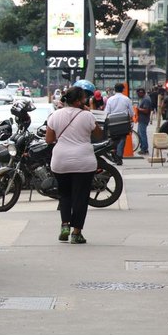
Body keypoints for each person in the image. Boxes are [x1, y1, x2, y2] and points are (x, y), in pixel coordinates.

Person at [45, 86, 103, 244]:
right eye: (84, 98)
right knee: (81, 197)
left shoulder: (55, 115)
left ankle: (65, 225)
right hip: (83, 162)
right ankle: (76, 233)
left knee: (64, 195)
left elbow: (49, 139)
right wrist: (88, 113)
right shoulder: (87, 116)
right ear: (78, 101)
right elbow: (99, 135)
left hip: (61, 161)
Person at [105, 83, 134, 164]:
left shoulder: (110, 99)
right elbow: (131, 113)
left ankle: (114, 151)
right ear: (123, 89)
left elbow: (107, 112)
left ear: (114, 89)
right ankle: (119, 155)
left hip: (112, 122)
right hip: (123, 122)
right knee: (122, 138)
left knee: (113, 138)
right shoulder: (126, 99)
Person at [136, 88, 153, 155]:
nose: (137, 95)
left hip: (143, 119)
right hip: (141, 119)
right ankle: (143, 147)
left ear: (141, 93)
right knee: (139, 134)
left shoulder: (146, 99)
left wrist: (138, 109)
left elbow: (146, 110)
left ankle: (144, 148)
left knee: (142, 134)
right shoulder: (144, 98)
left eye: (138, 94)